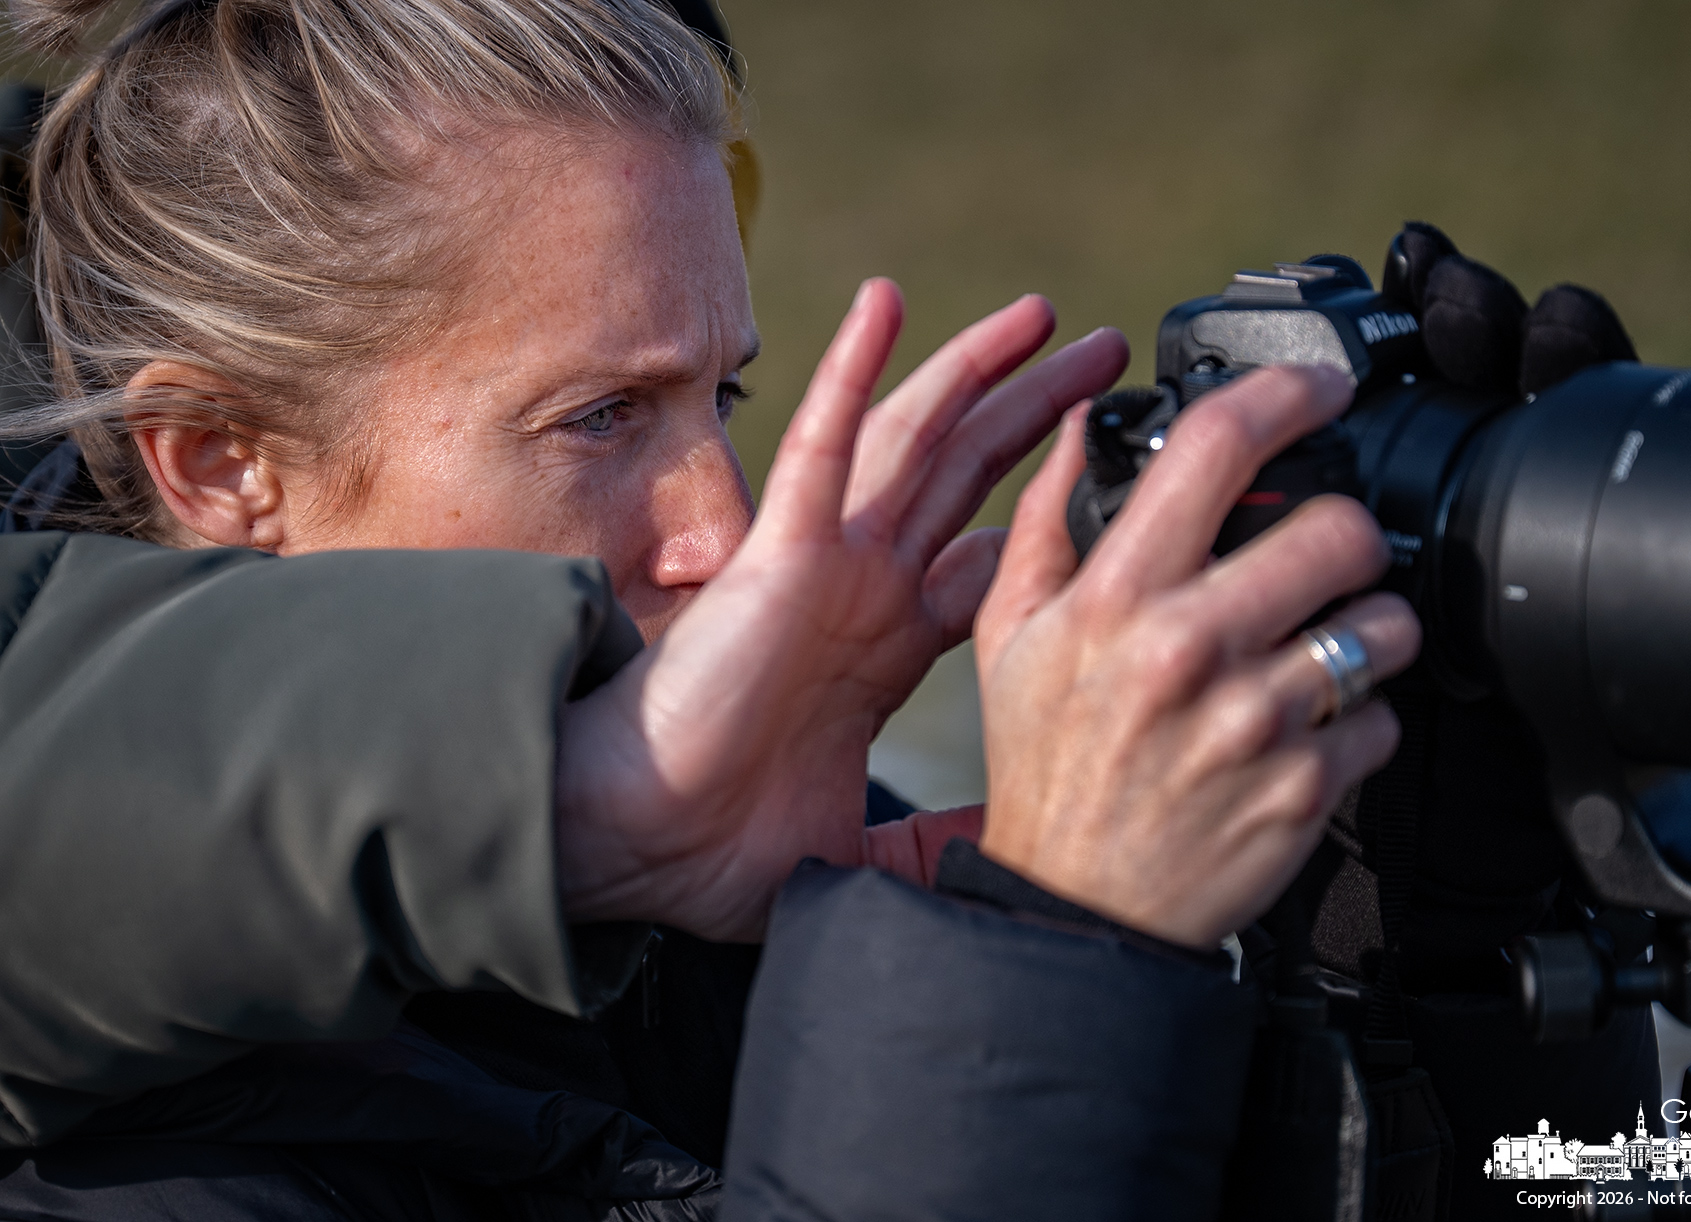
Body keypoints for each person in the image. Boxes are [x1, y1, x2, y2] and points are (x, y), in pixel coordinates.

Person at [0, 0, 1421, 1218]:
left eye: (718, 395)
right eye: (599, 415)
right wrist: (1034, 984)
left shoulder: (732, 843)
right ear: (223, 462)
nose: (723, 531)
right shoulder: (128, 1162)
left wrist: (1399, 911)